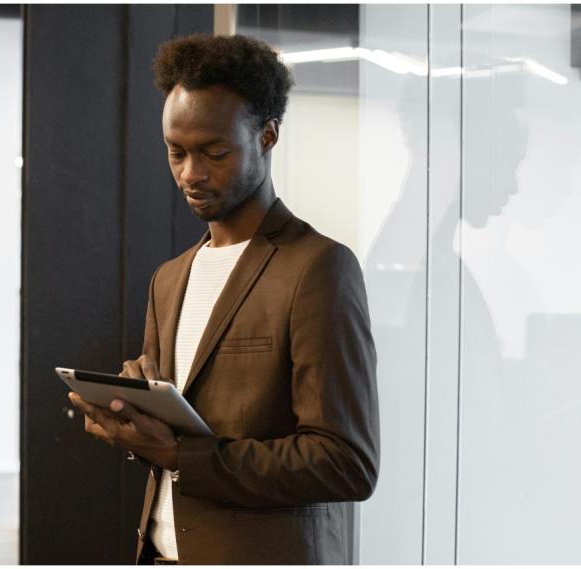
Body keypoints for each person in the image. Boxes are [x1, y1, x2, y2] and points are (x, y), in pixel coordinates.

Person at [68, 34, 380, 565]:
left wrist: (181, 453)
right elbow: (185, 423)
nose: (190, 173)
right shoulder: (169, 278)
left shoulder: (317, 268)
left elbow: (345, 462)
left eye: (214, 152)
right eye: (176, 151)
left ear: (267, 136)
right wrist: (131, 417)